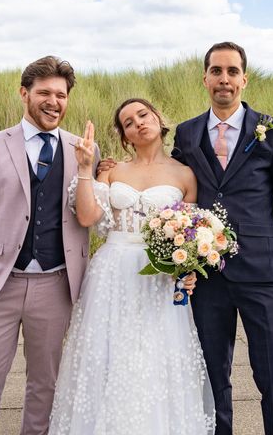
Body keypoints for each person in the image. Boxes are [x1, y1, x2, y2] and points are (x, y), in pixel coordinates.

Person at [48, 98, 216, 434]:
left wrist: (187, 271)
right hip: (112, 270)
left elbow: (191, 232)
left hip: (159, 276)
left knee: (154, 356)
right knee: (107, 354)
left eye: (143, 114)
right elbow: (87, 216)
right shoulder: (112, 170)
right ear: (125, 137)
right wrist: (85, 170)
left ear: (157, 118)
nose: (138, 123)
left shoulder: (185, 175)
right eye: (128, 122)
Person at [0, 55, 99, 435]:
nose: (54, 101)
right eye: (44, 93)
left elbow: (88, 214)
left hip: (56, 284)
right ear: (24, 94)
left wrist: (90, 167)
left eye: (61, 95)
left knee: (45, 382)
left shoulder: (82, 149)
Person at [171, 42, 273, 435]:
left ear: (244, 79)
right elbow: (173, 188)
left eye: (232, 71)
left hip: (261, 272)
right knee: (213, 376)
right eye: (216, 71)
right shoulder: (187, 133)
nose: (224, 79)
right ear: (205, 78)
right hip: (208, 275)